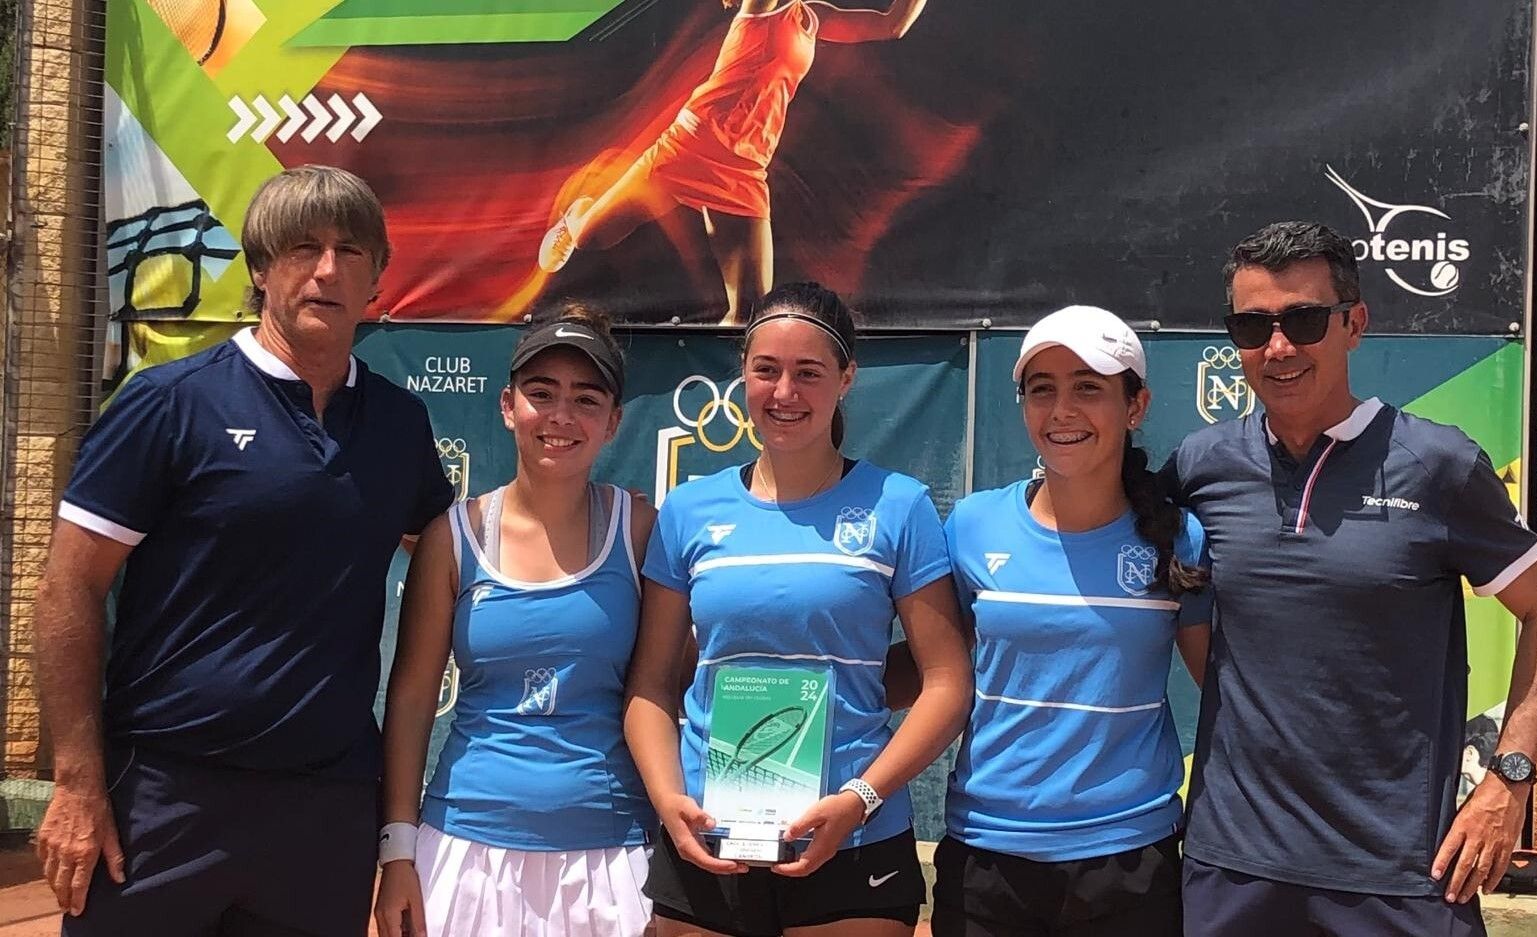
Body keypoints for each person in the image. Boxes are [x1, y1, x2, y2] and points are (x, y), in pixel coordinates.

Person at [33, 165, 455, 934]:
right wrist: (76, 780)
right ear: (261, 270)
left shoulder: (399, 425)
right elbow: (68, 587)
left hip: (325, 813)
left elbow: (452, 557)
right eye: (302, 247)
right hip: (160, 800)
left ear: (377, 280)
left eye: (351, 251)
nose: (327, 268)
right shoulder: (170, 403)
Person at [1163, 221, 1537, 936]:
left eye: (1304, 319)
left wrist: (1509, 780)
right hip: (1232, 869)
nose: (1280, 346)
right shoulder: (1201, 467)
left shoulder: (1438, 465)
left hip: (1401, 876)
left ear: (1355, 323)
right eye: (1253, 325)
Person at [624, 282, 972, 935]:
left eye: (808, 373)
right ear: (743, 377)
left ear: (846, 379)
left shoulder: (899, 505)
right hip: (709, 834)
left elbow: (948, 684)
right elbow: (650, 683)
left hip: (855, 837)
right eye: (767, 370)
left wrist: (859, 798)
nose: (785, 392)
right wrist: (670, 799)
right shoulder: (688, 511)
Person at [374, 306, 657, 937]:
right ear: (507, 406)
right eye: (541, 393)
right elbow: (414, 698)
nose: (561, 417)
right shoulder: (452, 537)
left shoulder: (639, 531)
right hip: (465, 850)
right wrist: (397, 849)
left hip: (611, 855)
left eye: (586, 400)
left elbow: (668, 686)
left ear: (613, 422)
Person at [931, 306, 1213, 937]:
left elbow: (1226, 692)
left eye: (1089, 387)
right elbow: (932, 673)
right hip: (985, 854)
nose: (1062, 410)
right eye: (1042, 390)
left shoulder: (1181, 541)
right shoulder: (973, 525)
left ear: (1135, 406)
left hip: (1129, 858)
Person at [538, 1, 931, 324]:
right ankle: (577, 218)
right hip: (693, 145)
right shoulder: (763, 7)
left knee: (750, 313)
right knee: (592, 237)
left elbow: (892, 24)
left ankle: (724, 392)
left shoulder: (811, 16)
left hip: (745, 170)